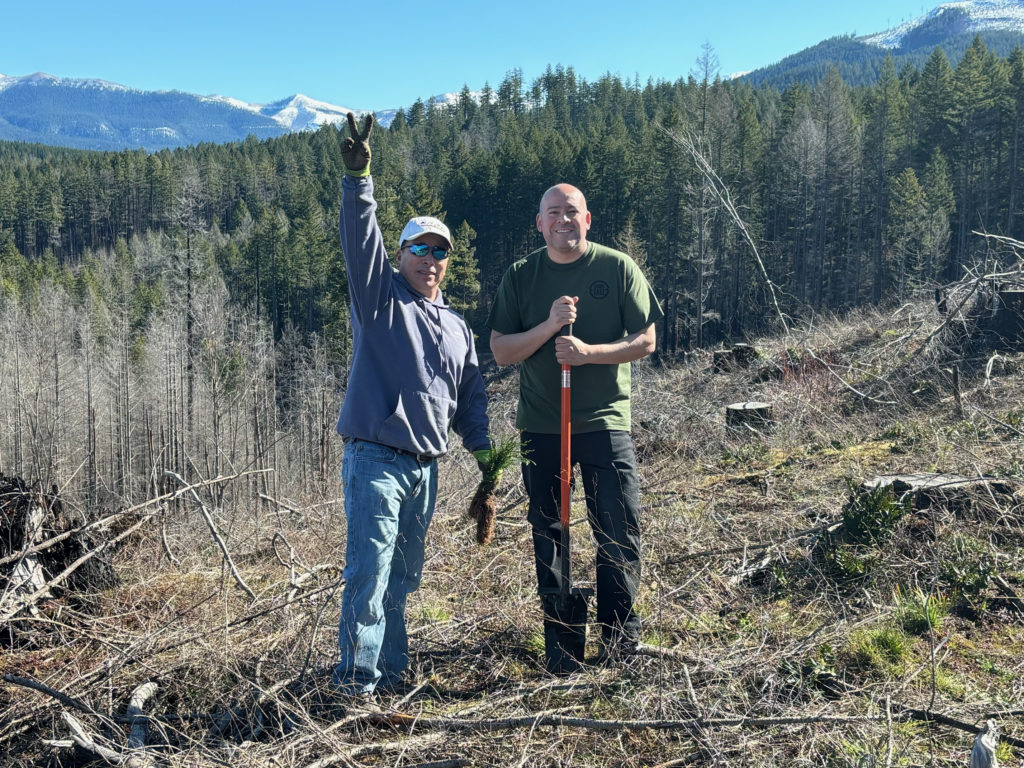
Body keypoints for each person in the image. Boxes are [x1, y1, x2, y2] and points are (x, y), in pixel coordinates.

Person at [333, 112, 493, 695]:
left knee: (402, 580)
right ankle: (355, 689)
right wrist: (359, 182)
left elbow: (470, 397)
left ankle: (393, 679)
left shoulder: (456, 327)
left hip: (427, 469)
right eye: (419, 248)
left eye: (440, 251)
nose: (430, 259)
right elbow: (360, 242)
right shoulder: (380, 299)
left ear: (449, 260)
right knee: (369, 577)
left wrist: (486, 460)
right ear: (401, 254)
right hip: (377, 460)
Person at [487, 183, 663, 674]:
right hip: (544, 427)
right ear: (539, 223)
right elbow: (502, 351)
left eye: (572, 212)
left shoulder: (617, 267)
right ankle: (563, 647)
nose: (563, 220)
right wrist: (548, 327)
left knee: (618, 528)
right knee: (550, 532)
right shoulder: (522, 276)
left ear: (588, 220)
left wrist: (589, 354)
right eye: (552, 213)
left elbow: (645, 339)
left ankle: (618, 645)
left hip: (605, 423)